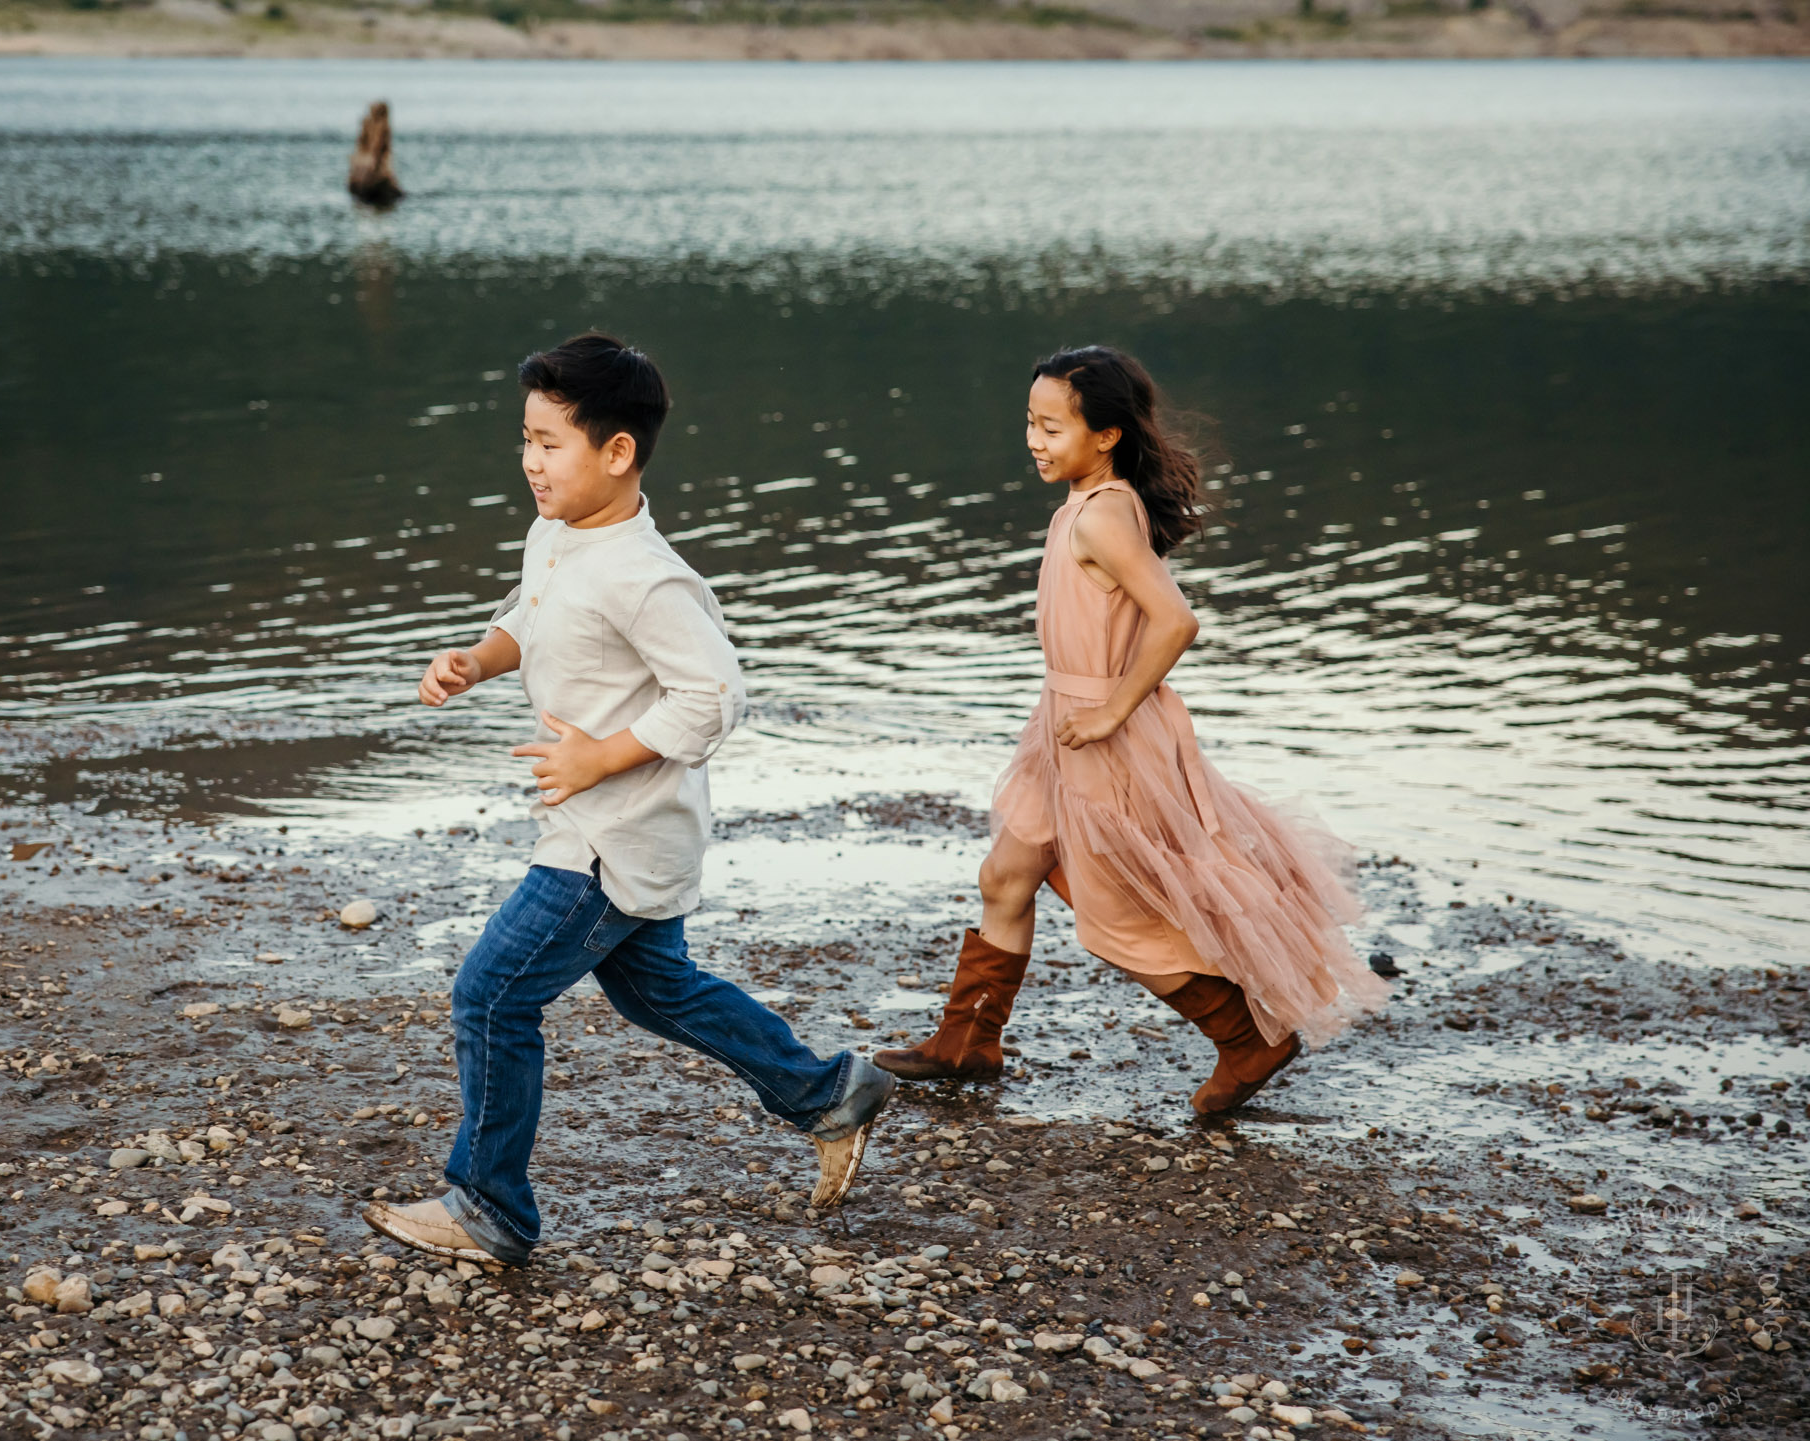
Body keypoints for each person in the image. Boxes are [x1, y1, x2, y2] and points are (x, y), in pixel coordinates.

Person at [363, 332, 894, 1265]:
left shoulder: (648, 576)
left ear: (618, 452)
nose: (530, 461)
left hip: (612, 835)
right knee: (658, 991)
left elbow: (717, 693)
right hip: (609, 826)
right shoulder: (559, 535)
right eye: (524, 439)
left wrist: (602, 756)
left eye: (550, 443)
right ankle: (828, 1093)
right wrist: (477, 661)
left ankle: (488, 1208)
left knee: (489, 996)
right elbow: (531, 611)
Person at [875, 346, 1389, 1112]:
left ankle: (1248, 1038)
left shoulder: (1107, 514)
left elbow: (1176, 620)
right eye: (1030, 422)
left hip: (1106, 737)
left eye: (1052, 427)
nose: (1034, 440)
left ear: (1107, 435)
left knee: (1118, 918)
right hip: (1062, 725)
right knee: (1007, 875)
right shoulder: (1081, 507)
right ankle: (967, 1042)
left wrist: (1113, 709)